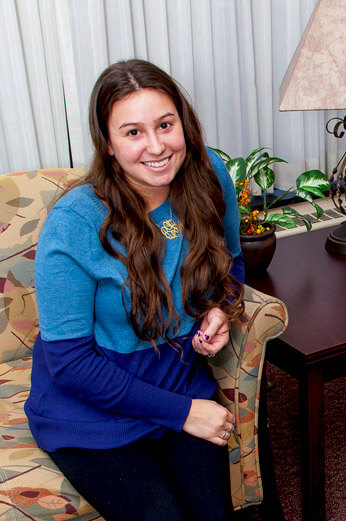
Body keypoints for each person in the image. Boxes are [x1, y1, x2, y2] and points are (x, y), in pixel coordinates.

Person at [24, 59, 246, 521]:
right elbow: (70, 364)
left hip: (178, 382)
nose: (157, 146)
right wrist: (183, 413)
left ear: (183, 123)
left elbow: (232, 263)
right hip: (91, 412)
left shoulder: (208, 176)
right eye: (133, 132)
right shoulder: (75, 223)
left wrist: (221, 309)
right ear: (108, 144)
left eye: (165, 125)